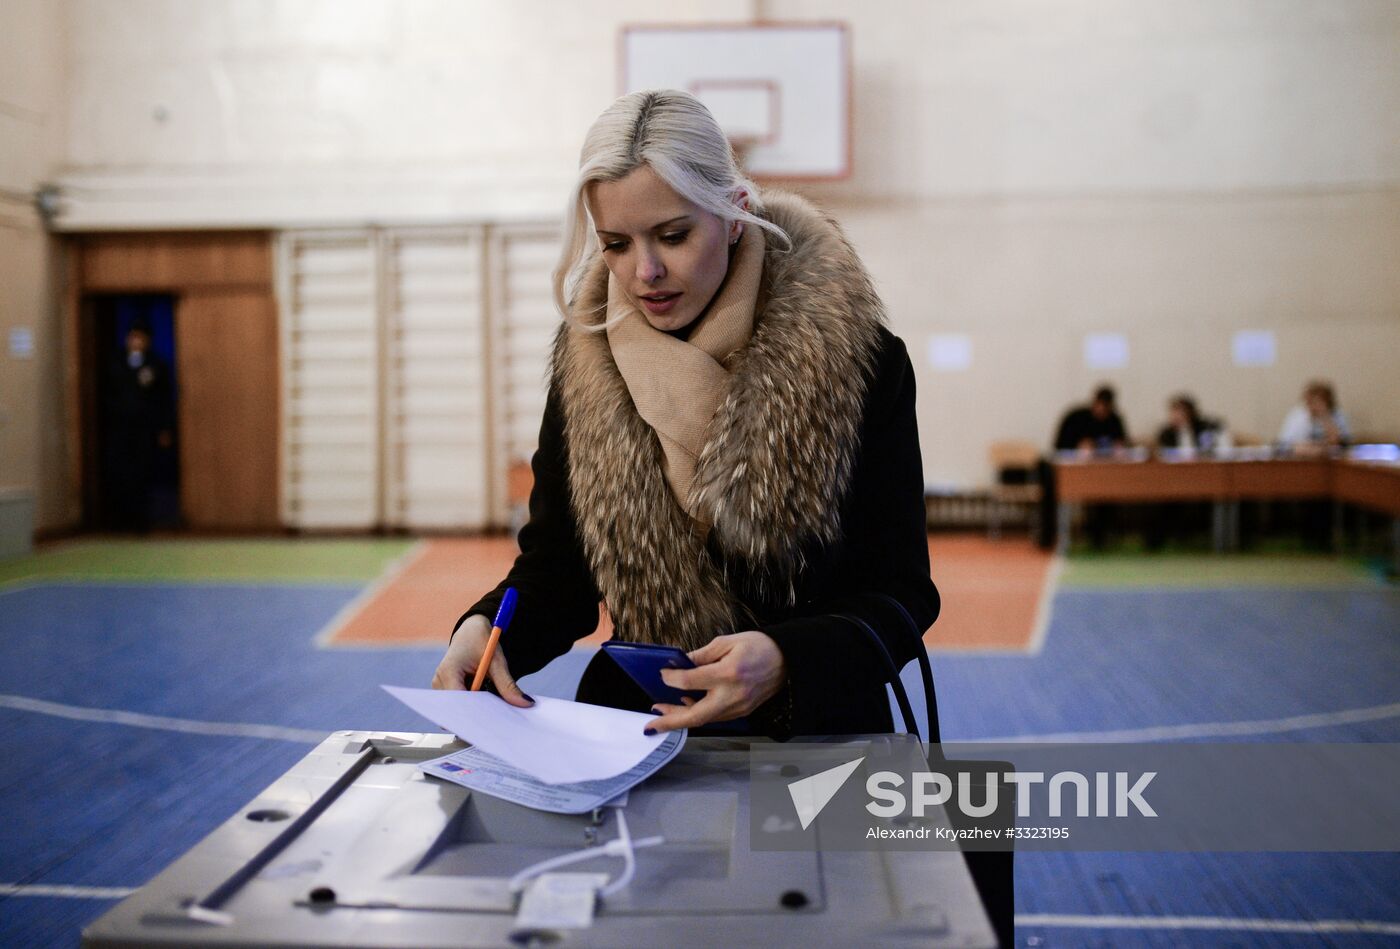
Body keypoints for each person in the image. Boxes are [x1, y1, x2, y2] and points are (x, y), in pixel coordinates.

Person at [430, 90, 940, 743]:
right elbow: (557, 569)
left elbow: (902, 591)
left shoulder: (859, 362)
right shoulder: (588, 372)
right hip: (637, 740)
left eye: (673, 236)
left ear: (735, 215)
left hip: (814, 739)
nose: (644, 272)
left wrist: (788, 658)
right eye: (615, 244)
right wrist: (485, 629)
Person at [101, 318, 174, 531]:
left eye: (140, 337)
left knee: (142, 472)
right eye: (133, 336)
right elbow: (108, 394)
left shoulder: (156, 364)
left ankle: (140, 520)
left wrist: (164, 428)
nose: (136, 341)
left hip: (144, 428)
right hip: (119, 428)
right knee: (118, 473)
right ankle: (119, 520)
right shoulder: (116, 362)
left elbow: (164, 398)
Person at [1278, 380, 1349, 453]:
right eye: (1310, 401)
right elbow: (1283, 444)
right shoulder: (1298, 415)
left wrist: (1324, 417)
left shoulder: (1337, 415)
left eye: (1318, 401)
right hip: (1302, 459)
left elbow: (1342, 444)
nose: (1313, 406)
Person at [1053, 385, 1129, 452]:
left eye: (1106, 409)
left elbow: (1122, 443)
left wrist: (1119, 447)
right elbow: (1060, 448)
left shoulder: (1114, 420)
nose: (1101, 412)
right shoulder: (1076, 419)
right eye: (1099, 407)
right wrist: (1077, 447)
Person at [1157, 394, 1228, 453]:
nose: (1176, 417)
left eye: (1181, 412)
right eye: (1174, 413)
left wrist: (1186, 429)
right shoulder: (1166, 434)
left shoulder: (1204, 428)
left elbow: (1209, 449)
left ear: (1191, 413)